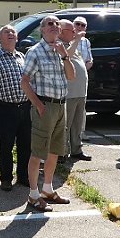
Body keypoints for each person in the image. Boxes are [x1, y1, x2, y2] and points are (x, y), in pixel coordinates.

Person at [21, 15, 75, 212]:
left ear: (60, 30)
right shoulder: (35, 52)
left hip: (61, 106)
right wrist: (38, 105)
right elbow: (24, 81)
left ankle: (48, 190)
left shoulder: (60, 50)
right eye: (49, 24)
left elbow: (71, 76)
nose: (53, 26)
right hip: (45, 106)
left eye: (56, 24)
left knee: (54, 151)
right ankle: (33, 195)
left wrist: (64, 55)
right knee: (37, 152)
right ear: (42, 30)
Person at [0, 25, 32, 191]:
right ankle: (6, 179)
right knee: (6, 146)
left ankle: (23, 177)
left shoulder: (22, 57)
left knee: (26, 145)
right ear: (0, 38)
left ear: (17, 38)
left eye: (13, 32)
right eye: (6, 32)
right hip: (5, 110)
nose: (10, 34)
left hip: (25, 108)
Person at [60, 19, 91, 161]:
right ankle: (62, 152)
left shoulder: (73, 45)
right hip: (69, 93)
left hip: (80, 92)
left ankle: (76, 149)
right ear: (62, 31)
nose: (75, 32)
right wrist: (77, 40)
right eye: (72, 30)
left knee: (77, 124)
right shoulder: (61, 46)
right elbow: (66, 57)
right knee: (65, 125)